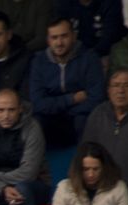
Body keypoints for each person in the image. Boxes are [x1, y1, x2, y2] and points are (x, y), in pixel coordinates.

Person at [28, 16, 104, 148]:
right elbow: (38, 103)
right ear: (48, 40)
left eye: (64, 36)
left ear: (74, 36)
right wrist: (72, 99)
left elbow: (96, 98)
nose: (59, 43)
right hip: (51, 116)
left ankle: (86, 159)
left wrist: (63, 110)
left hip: (78, 115)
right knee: (36, 121)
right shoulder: (38, 61)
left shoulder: (89, 58)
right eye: (54, 38)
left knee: (84, 119)